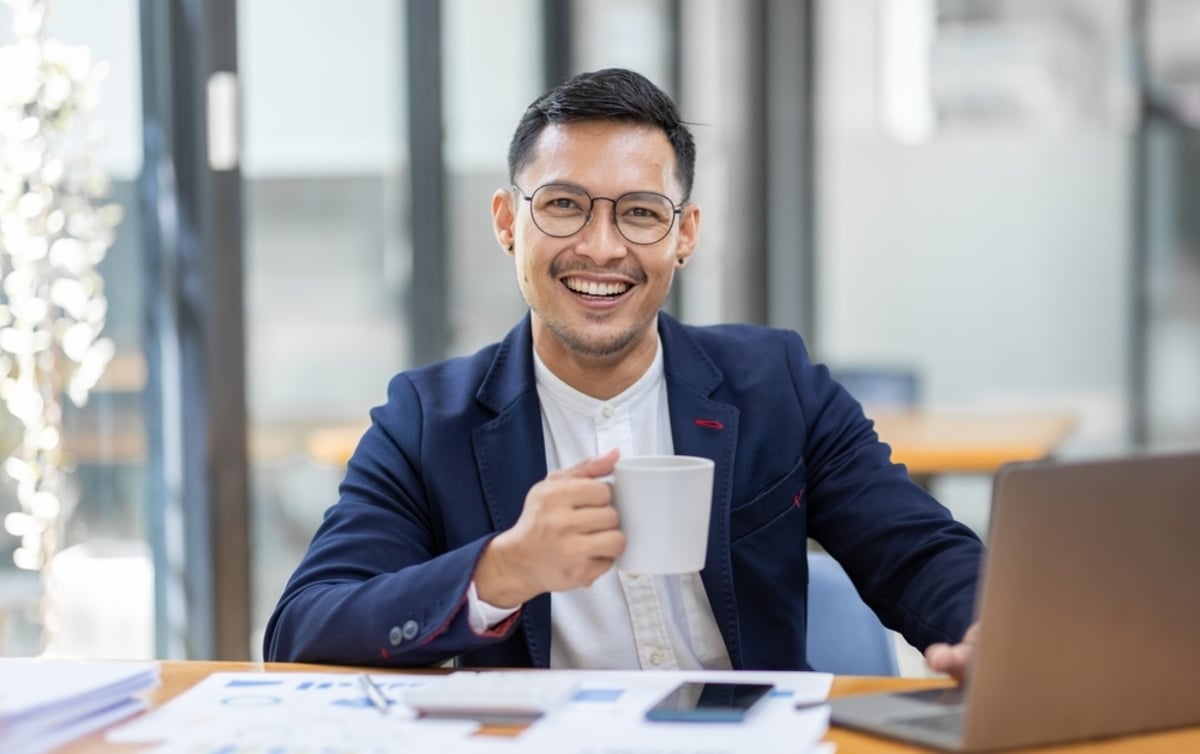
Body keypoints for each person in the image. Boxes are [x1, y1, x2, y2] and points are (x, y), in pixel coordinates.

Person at [263, 67, 983, 679]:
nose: (601, 248)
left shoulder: (776, 384)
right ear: (508, 222)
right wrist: (501, 570)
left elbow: (917, 550)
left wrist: (988, 632)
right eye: (564, 206)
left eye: (640, 213)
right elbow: (303, 630)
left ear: (685, 235)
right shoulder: (427, 422)